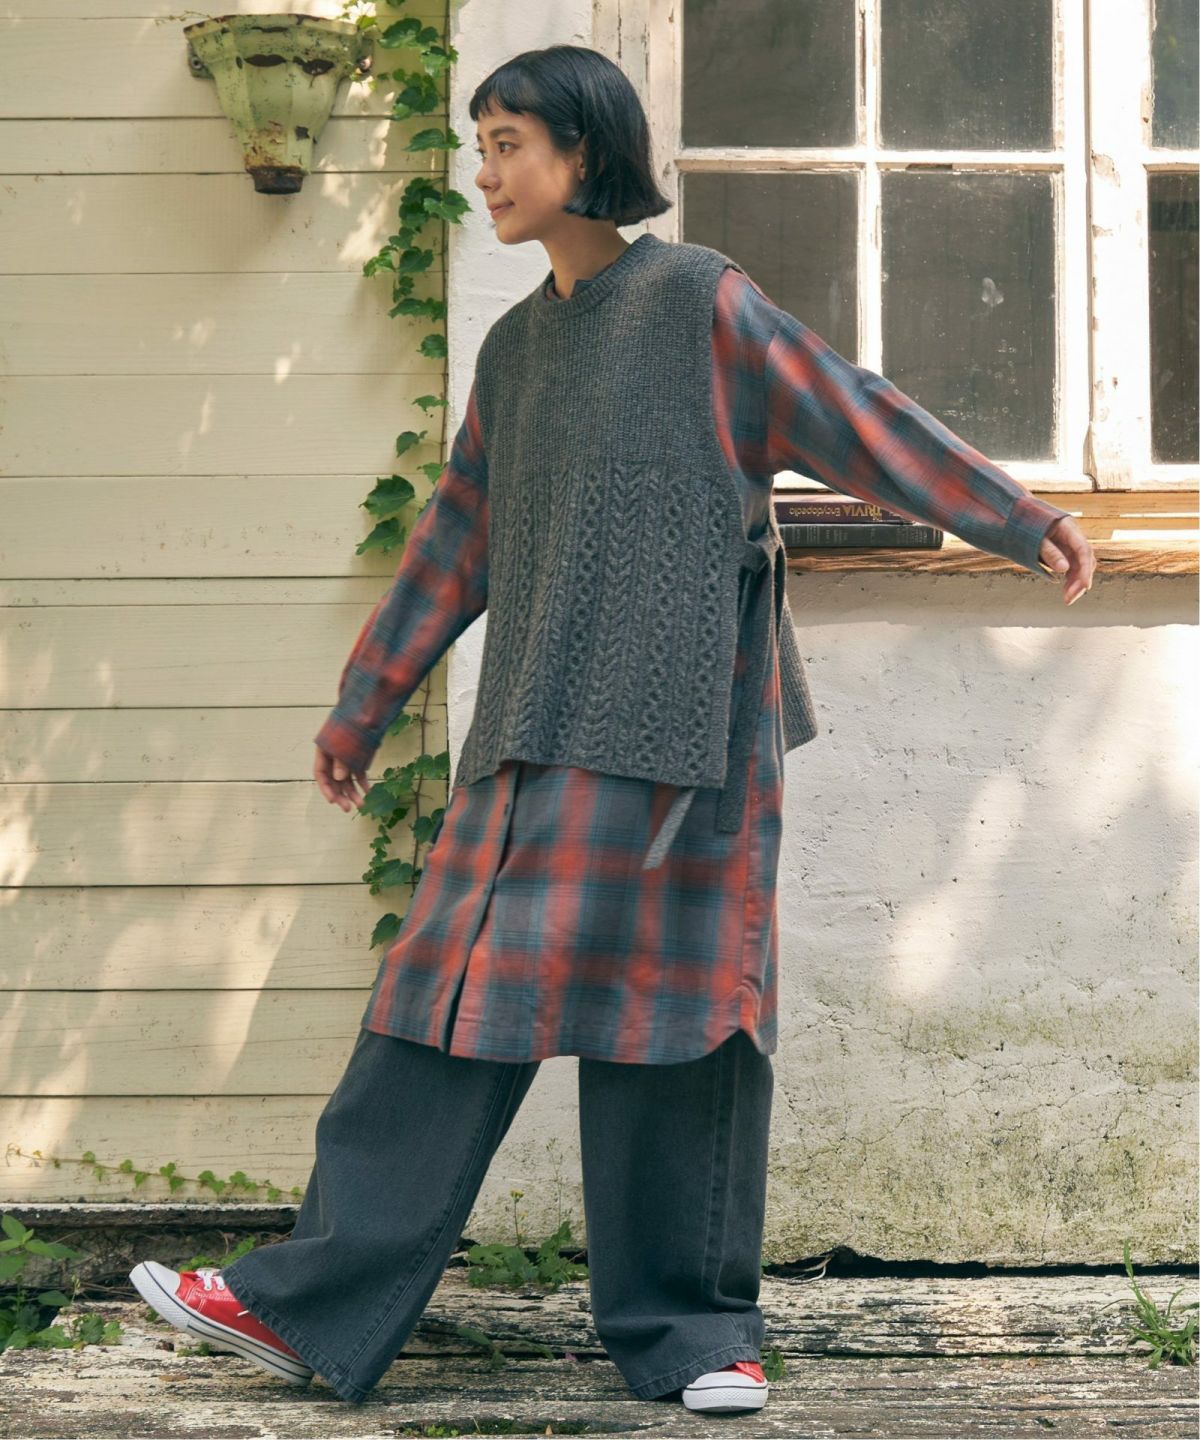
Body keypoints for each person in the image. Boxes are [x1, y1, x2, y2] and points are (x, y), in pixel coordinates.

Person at [129, 43, 1096, 1414]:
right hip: (535, 719)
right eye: (478, 144)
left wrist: (1016, 515)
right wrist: (362, 705)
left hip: (692, 723)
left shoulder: (700, 301)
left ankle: (698, 1339)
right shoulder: (515, 352)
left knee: (685, 1027)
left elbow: (852, 412)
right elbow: (456, 540)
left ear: (583, 153)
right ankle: (304, 1305)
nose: (485, 172)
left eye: (508, 143)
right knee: (437, 1007)